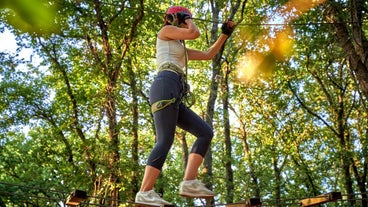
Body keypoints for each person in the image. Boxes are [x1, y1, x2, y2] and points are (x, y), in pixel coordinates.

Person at [135, 5, 235, 206]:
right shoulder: (164, 32)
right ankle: (145, 192)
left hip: (175, 89)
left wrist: (225, 34)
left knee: (205, 132)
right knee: (165, 140)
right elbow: (193, 32)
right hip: (165, 83)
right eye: (183, 18)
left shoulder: (179, 47)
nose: (186, 22)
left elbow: (208, 54)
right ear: (174, 18)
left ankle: (189, 181)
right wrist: (187, 18)